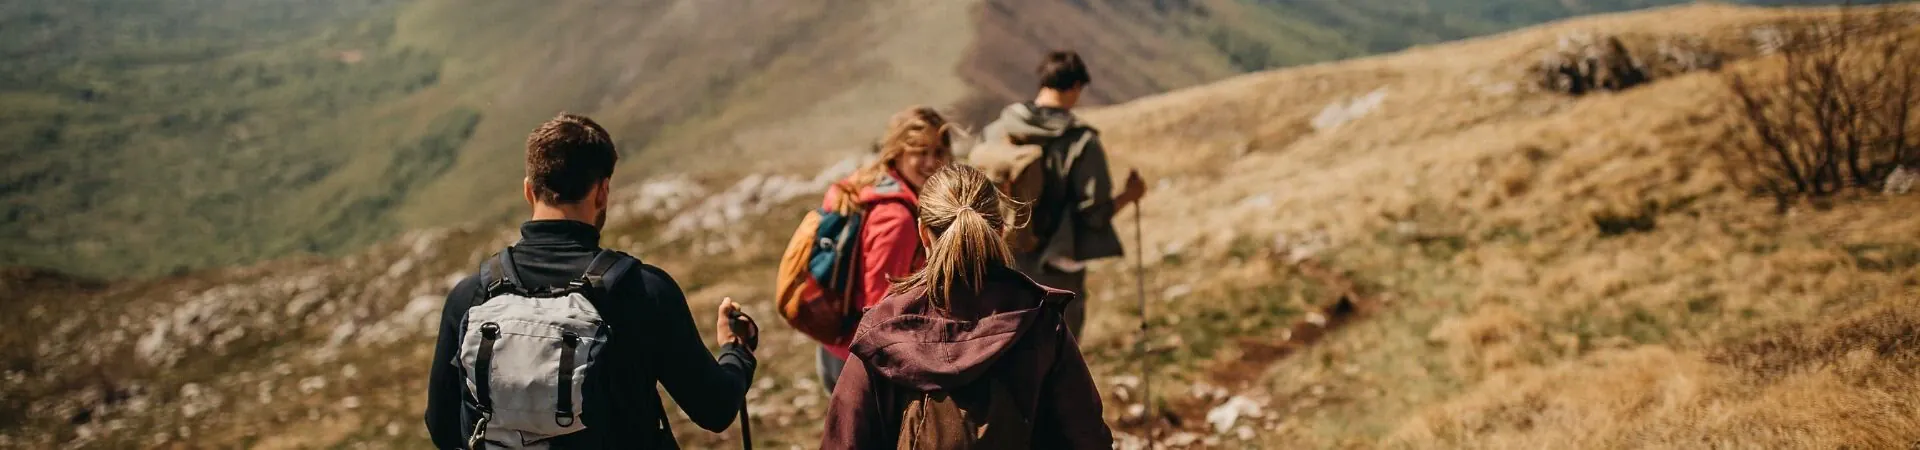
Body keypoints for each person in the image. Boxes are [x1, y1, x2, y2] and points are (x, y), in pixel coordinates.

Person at [424, 114, 758, 449]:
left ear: (529, 190)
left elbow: (443, 427)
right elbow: (714, 409)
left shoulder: (471, 296)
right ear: (602, 193)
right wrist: (736, 351)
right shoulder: (643, 291)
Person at [819, 164, 1113, 449]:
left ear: (923, 234)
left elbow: (844, 441)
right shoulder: (1040, 319)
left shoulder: (883, 330)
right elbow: (1087, 437)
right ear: (999, 231)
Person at [979, 50, 1148, 339]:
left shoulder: (997, 131)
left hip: (1001, 265)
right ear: (1074, 88)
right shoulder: (1082, 141)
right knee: (1058, 358)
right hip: (1055, 271)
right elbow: (1095, 214)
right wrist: (1129, 195)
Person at [813, 106, 957, 394]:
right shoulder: (897, 218)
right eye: (919, 150)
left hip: (839, 347)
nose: (931, 161)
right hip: (863, 359)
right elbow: (880, 308)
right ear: (897, 151)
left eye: (938, 151)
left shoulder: (875, 186)